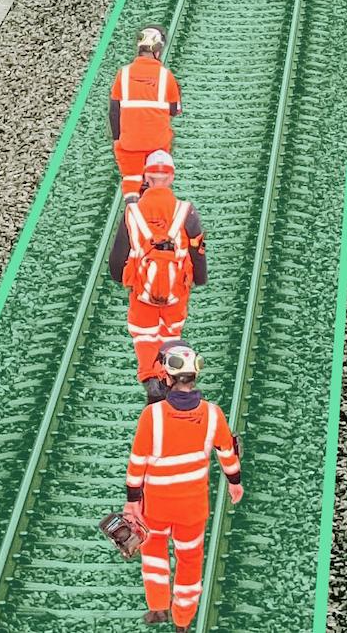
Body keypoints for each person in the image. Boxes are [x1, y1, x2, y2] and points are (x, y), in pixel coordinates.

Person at [124, 343, 243, 628]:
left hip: (157, 505)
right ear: (194, 376)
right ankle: (183, 620)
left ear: (166, 376)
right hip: (193, 507)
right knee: (190, 560)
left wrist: (132, 500)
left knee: (153, 552)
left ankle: (157, 608)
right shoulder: (213, 414)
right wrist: (235, 482)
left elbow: (137, 462)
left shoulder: (151, 416)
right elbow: (227, 452)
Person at [109, 152, 206, 400]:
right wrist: (200, 278)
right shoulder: (186, 211)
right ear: (171, 177)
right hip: (176, 291)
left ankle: (150, 378)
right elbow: (198, 248)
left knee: (144, 335)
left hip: (142, 291)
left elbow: (118, 255)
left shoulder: (133, 213)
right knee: (170, 334)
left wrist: (121, 277)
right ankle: (167, 377)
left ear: (146, 177)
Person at [110, 26, 181, 198]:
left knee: (130, 180)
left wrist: (119, 140)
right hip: (157, 145)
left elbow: (114, 112)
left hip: (130, 145)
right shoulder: (166, 76)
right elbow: (174, 110)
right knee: (158, 181)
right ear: (158, 50)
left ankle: (131, 204)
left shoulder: (123, 74)